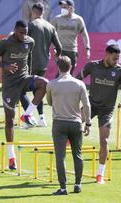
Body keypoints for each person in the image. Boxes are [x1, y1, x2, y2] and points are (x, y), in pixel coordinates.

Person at [0, 20, 48, 170]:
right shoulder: (5, 43)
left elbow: (28, 56)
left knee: (44, 84)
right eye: (21, 33)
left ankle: (27, 115)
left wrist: (29, 74)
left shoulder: (30, 42)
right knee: (9, 120)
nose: (23, 36)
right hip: (9, 85)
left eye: (25, 33)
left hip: (23, 78)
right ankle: (11, 157)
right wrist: (6, 66)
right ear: (15, 30)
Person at [76, 44, 121, 184]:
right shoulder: (92, 66)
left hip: (107, 110)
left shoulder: (120, 71)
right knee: (74, 121)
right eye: (114, 58)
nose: (116, 61)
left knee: (104, 141)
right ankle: (70, 140)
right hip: (91, 105)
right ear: (106, 55)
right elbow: (77, 79)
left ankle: (100, 174)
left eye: (118, 58)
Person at [46, 56, 91, 195]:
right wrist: (88, 122)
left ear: (58, 67)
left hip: (59, 123)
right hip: (76, 122)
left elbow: (49, 102)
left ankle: (63, 187)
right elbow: (87, 105)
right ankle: (77, 184)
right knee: (77, 154)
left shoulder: (52, 84)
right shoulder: (79, 84)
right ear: (71, 66)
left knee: (61, 156)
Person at [19, 3, 62, 128]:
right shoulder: (50, 26)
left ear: (33, 12)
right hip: (43, 63)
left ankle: (28, 118)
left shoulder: (31, 25)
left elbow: (23, 43)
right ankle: (42, 118)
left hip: (30, 63)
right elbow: (59, 47)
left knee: (21, 90)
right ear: (43, 12)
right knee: (39, 90)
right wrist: (56, 54)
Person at [51, 0, 90, 75]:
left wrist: (87, 48)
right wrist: (54, 48)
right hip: (60, 50)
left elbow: (84, 35)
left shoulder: (78, 19)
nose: (62, 8)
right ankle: (56, 86)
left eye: (65, 7)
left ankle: (68, 86)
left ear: (71, 8)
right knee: (61, 72)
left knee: (70, 73)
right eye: (61, 7)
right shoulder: (56, 19)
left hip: (72, 50)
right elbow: (51, 34)